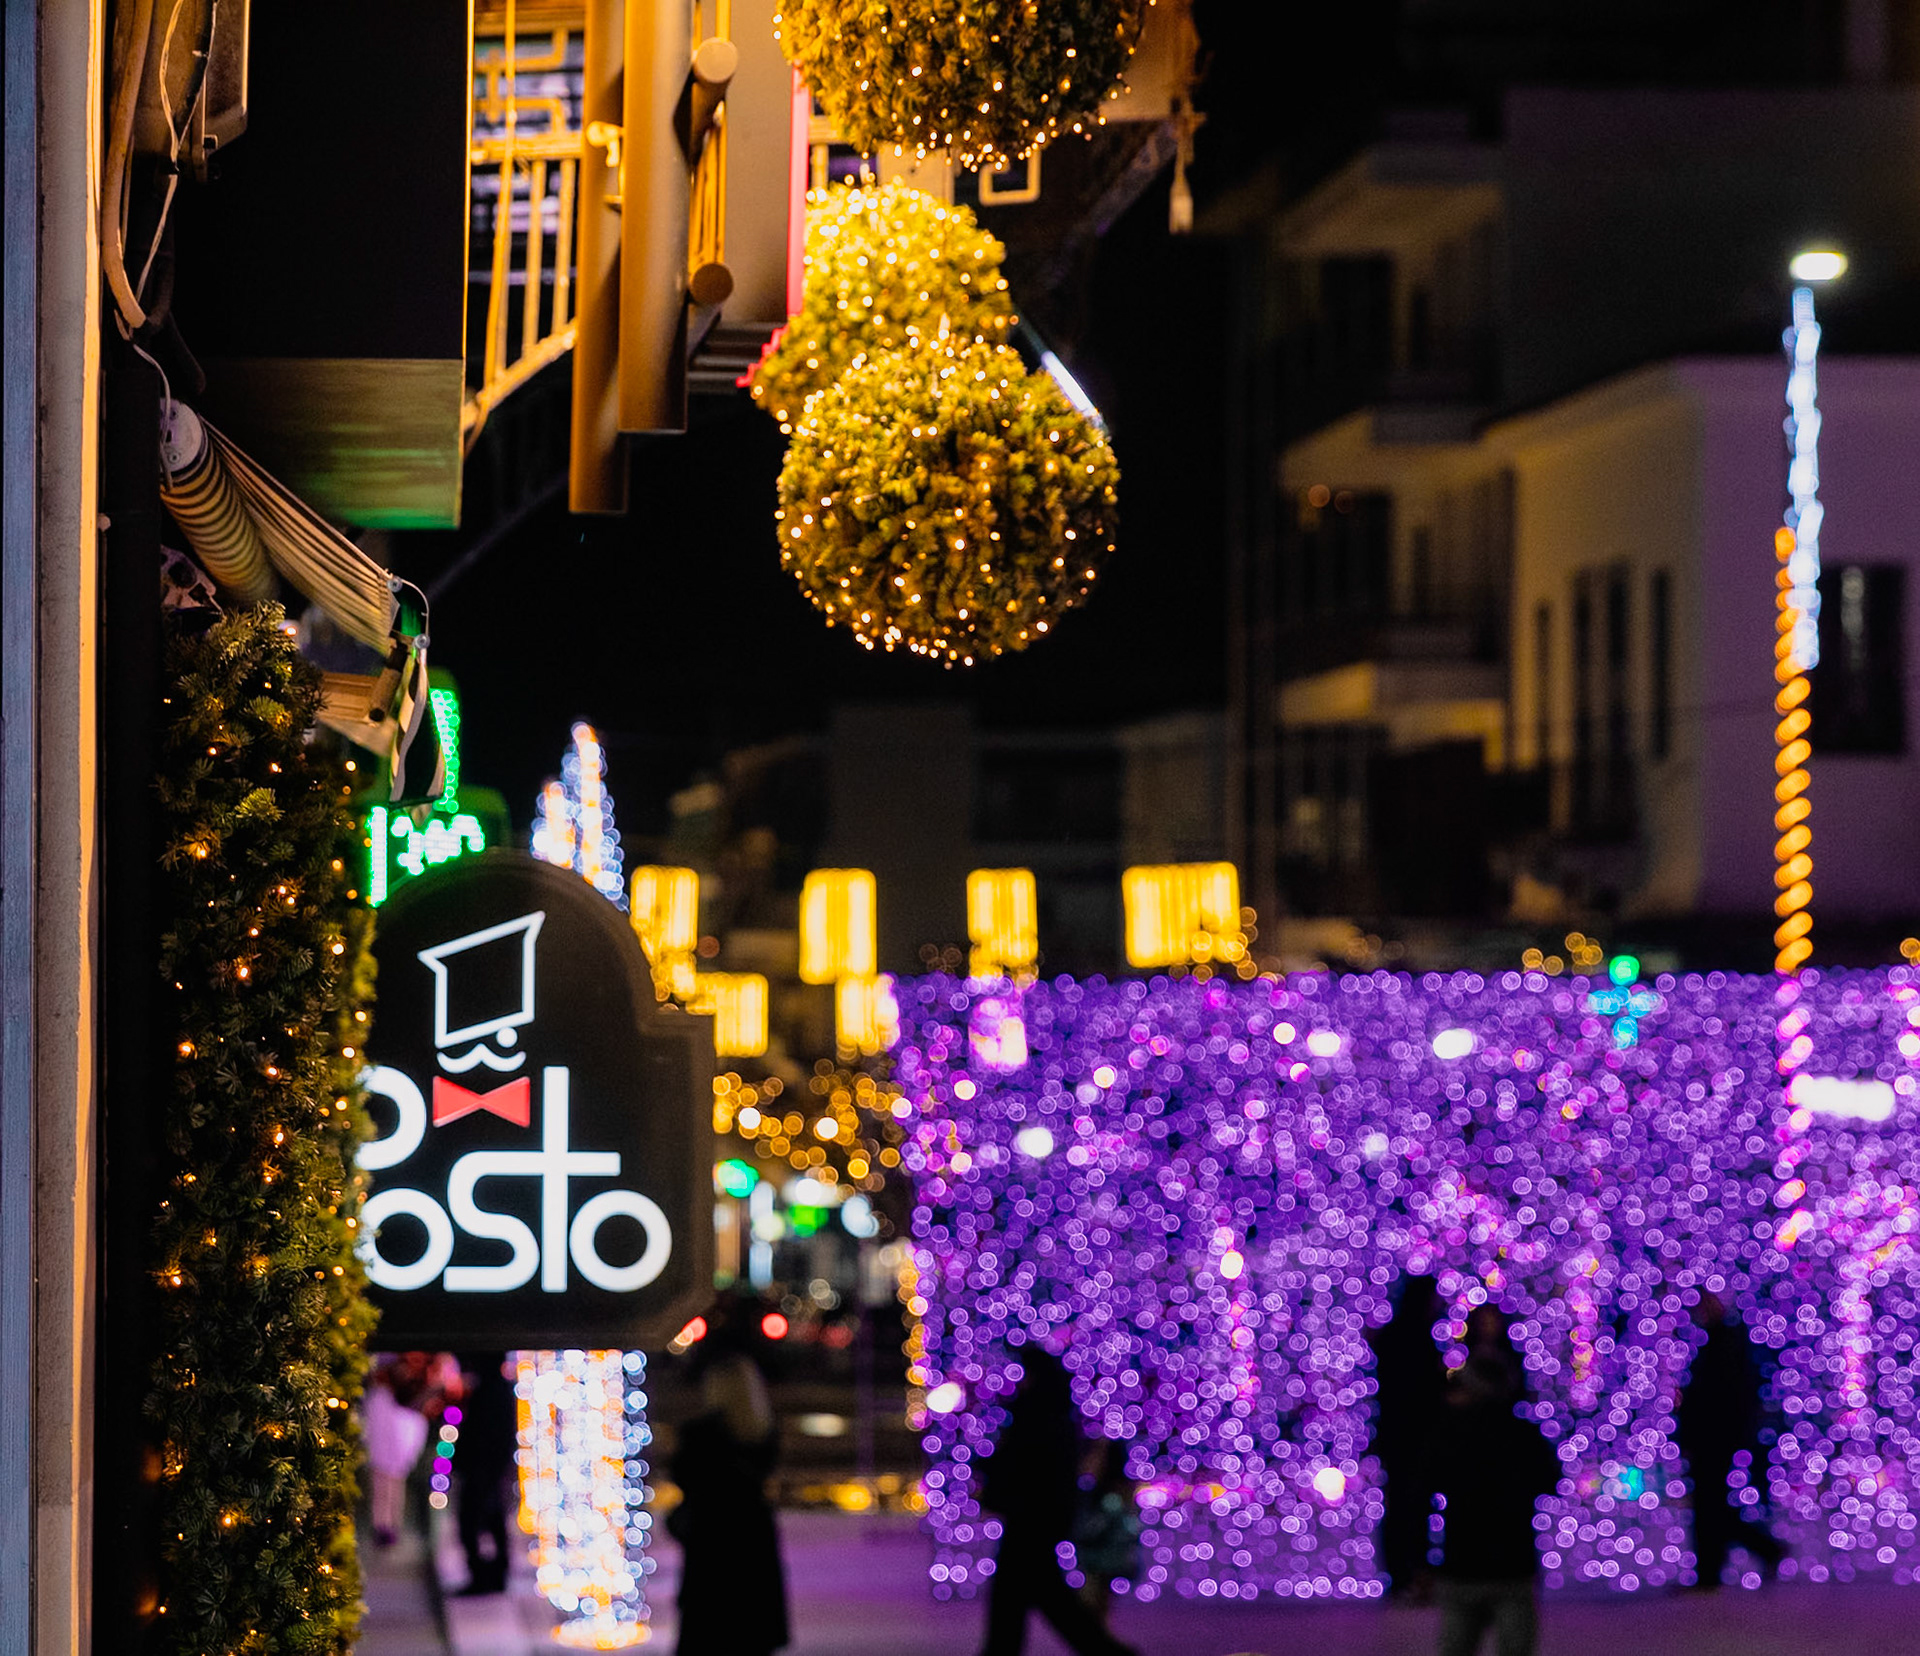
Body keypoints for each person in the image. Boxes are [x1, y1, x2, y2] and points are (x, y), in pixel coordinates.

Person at [975, 1348, 1140, 1656]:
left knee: (1036, 1603)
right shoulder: (1050, 1417)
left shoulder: (1037, 1419)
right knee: (1045, 1602)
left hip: (1029, 1525)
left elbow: (1021, 1470)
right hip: (1037, 1524)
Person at [669, 1299, 790, 1656]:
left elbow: (687, 1496)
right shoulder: (762, 1439)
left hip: (711, 1573)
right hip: (753, 1569)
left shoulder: (701, 1439)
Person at [1429, 1353, 1560, 1656]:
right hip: (1512, 1562)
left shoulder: (1451, 1434)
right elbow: (1550, 1482)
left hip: (1462, 1561)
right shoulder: (1523, 1434)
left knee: (1455, 1647)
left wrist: (1421, 1560)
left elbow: (1424, 1489)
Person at [1676, 1290, 1784, 1589]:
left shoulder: (1724, 1342)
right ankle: (1755, 1553)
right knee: (1713, 1507)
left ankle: (1715, 1571)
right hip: (1712, 1438)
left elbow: (1722, 1395)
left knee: (1711, 1507)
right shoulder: (1718, 1341)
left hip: (1714, 1439)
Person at [1369, 1273, 1445, 1600]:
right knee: (1411, 1508)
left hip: (1400, 1438)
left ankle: (1404, 1575)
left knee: (1402, 1507)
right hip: (1414, 1439)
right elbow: (1423, 1392)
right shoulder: (1417, 1340)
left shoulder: (1394, 1338)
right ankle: (1411, 1574)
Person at [453, 1352, 519, 1595]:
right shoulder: (495, 1390)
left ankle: (485, 1576)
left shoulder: (489, 1391)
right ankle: (489, 1575)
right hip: (486, 1468)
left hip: (483, 1469)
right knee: (488, 1523)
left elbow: (485, 1434)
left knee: (475, 1523)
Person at [1071, 1437, 1141, 1627]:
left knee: (1092, 1611)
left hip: (1101, 1562)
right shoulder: (1111, 1493)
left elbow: (1095, 1529)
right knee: (1097, 1611)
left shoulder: (1110, 1498)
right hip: (1102, 1561)